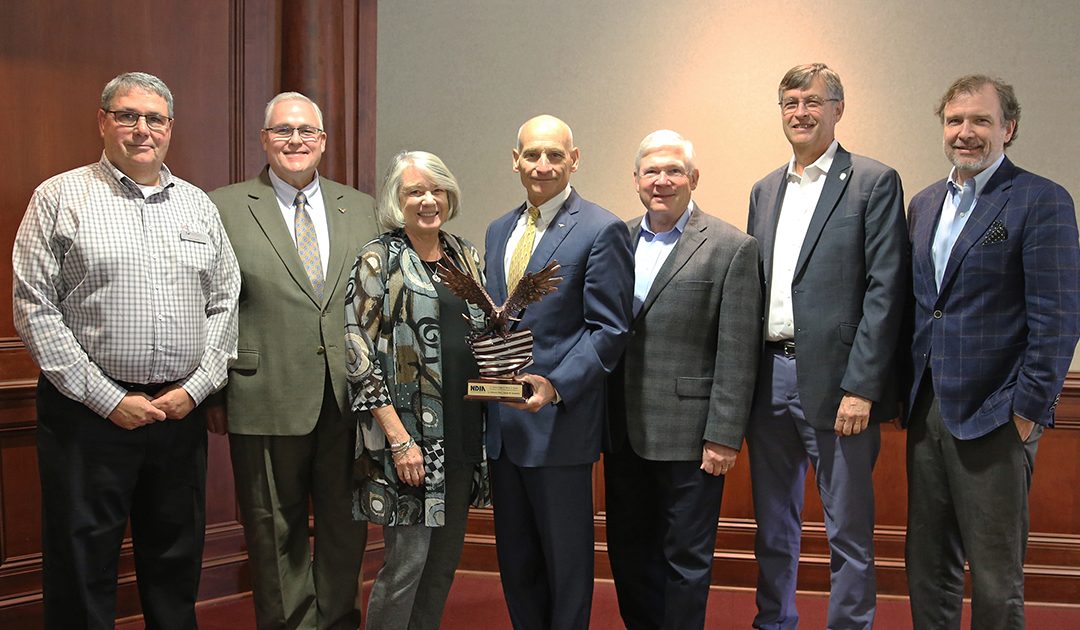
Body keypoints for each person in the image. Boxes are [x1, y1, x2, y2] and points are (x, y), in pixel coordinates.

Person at [12, 71, 240, 629]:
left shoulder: (196, 205)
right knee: (82, 563)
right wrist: (109, 399)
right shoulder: (59, 197)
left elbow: (225, 302)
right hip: (86, 418)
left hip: (176, 413)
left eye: (155, 118)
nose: (142, 129)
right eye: (127, 115)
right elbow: (34, 306)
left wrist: (196, 387)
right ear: (103, 121)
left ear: (170, 127)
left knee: (175, 558)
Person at [905, 75, 1080, 630]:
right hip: (926, 408)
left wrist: (1026, 412)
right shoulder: (925, 203)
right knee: (927, 568)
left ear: (1009, 127)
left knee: (996, 576)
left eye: (980, 120)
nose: (965, 132)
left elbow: (1058, 318)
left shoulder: (1041, 199)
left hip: (998, 415)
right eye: (955, 120)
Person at [745, 63, 908, 630]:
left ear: (838, 108)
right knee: (773, 526)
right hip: (768, 379)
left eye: (812, 101)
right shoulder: (764, 190)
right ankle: (775, 622)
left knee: (848, 532)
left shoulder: (873, 181)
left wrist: (862, 386)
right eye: (790, 102)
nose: (800, 113)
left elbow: (886, 291)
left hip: (840, 387)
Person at [207, 92, 377, 629]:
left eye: (306, 131)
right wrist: (212, 391)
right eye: (283, 130)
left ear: (323, 142)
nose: (295, 141)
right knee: (272, 529)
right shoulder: (223, 206)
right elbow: (206, 304)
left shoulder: (363, 207)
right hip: (264, 394)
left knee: (344, 525)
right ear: (264, 139)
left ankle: (338, 622)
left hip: (348, 398)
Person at [605, 130, 762, 629]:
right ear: (635, 180)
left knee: (685, 562)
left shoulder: (732, 247)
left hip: (692, 437)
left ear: (694, 179)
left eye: (673, 171)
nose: (662, 181)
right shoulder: (616, 240)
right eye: (651, 171)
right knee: (629, 553)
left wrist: (723, 435)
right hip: (622, 430)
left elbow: (738, 352)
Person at [483, 114, 634, 629]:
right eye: (531, 154)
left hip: (559, 426)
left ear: (574, 159)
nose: (542, 165)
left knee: (566, 567)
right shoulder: (499, 229)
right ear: (515, 160)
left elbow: (609, 330)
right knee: (517, 565)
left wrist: (556, 385)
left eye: (554, 155)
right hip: (502, 426)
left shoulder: (601, 228)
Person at [345, 150, 490, 630]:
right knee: (406, 566)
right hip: (407, 442)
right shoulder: (378, 259)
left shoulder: (465, 255)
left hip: (463, 434)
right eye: (415, 191)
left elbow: (486, 336)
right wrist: (399, 439)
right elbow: (357, 355)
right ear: (396, 199)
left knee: (444, 564)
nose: (428, 200)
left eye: (437, 189)